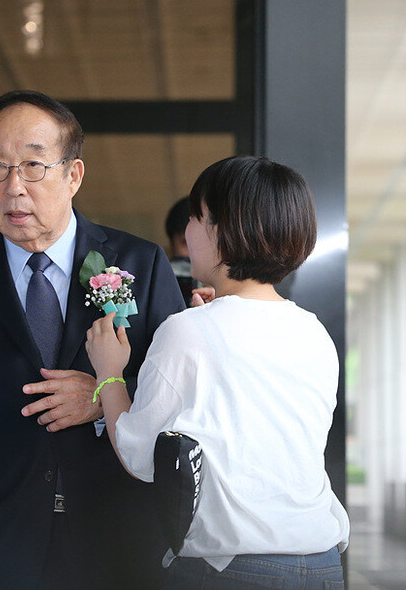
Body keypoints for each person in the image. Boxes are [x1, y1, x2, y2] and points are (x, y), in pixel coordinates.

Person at [0, 90, 186, 590]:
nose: (14, 187)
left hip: (115, 536)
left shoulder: (139, 263)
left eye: (34, 165)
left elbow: (181, 393)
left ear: (73, 175)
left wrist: (105, 396)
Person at [85, 156, 350, 589]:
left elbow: (139, 457)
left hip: (234, 569)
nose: (189, 230)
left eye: (197, 216)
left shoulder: (188, 332)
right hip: (321, 564)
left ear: (225, 232)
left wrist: (109, 374)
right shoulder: (313, 330)